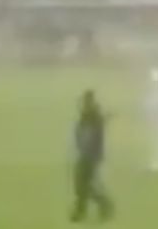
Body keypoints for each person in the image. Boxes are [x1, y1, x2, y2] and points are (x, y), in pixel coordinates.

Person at [70, 90, 114, 223]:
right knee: (82, 185)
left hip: (90, 156)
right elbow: (81, 132)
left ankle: (100, 205)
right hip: (85, 154)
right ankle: (99, 206)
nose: (83, 103)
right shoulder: (88, 114)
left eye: (86, 101)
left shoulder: (93, 115)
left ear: (90, 101)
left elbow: (91, 135)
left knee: (83, 185)